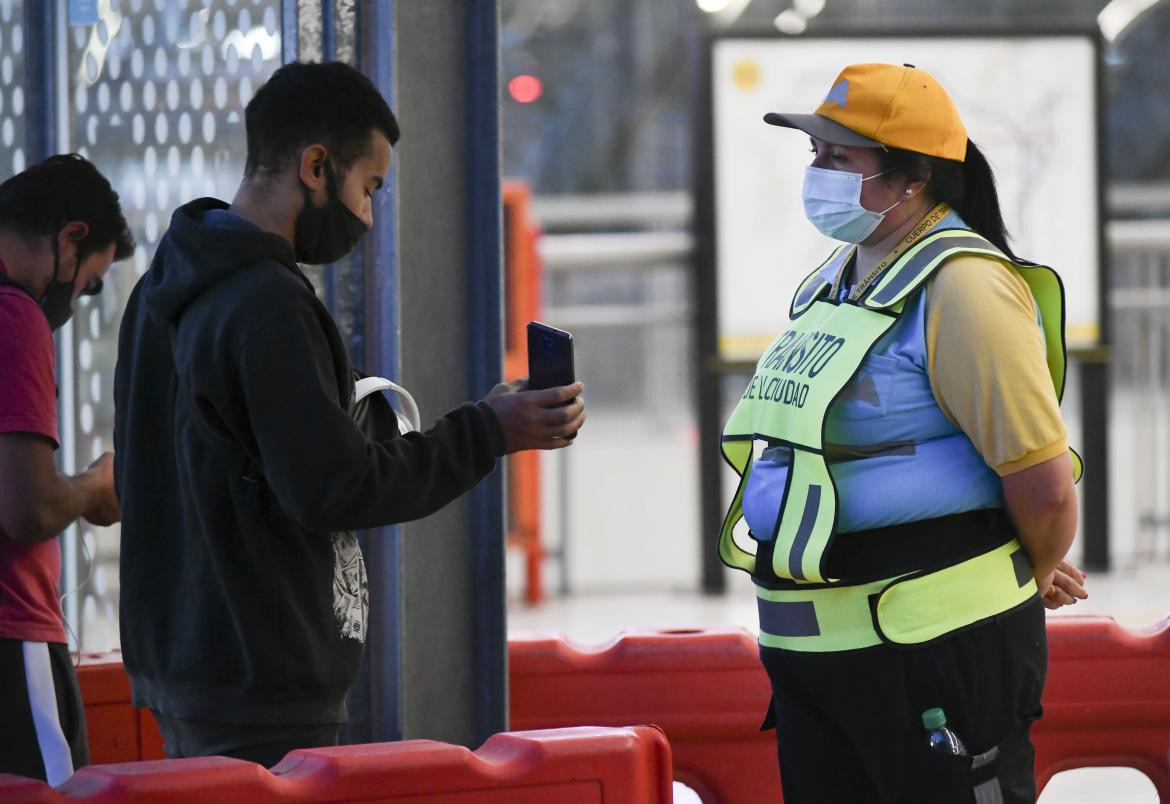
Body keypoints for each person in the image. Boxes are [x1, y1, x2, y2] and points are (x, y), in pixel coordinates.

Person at [113, 61, 585, 766]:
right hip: (261, 682)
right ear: (315, 165)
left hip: (189, 665)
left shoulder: (164, 289)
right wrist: (488, 431)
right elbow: (334, 485)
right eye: (369, 187)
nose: (366, 215)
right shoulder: (268, 304)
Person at [717, 63, 1086, 803]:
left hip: (928, 658)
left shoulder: (964, 287)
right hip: (823, 664)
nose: (817, 172)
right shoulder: (843, 277)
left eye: (838, 157)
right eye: (814, 154)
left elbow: (1044, 492)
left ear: (912, 177)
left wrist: (1025, 572)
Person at [0, 155, 134, 784]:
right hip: (13, 633)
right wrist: (94, 486)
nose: (74, 302)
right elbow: (28, 509)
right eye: (87, 284)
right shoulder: (15, 315)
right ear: (71, 237)